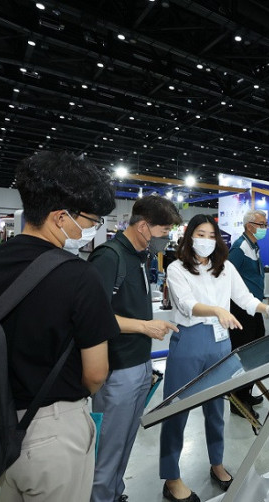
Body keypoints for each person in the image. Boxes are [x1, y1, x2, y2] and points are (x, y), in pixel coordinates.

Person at [0, 150, 118, 501]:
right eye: (91, 220)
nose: (93, 230)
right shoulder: (80, 276)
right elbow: (96, 373)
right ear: (60, 217)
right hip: (52, 430)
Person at [161, 214, 269, 501]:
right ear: (189, 236)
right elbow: (185, 304)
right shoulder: (176, 268)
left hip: (221, 344)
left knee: (216, 410)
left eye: (212, 236)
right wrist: (217, 310)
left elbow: (245, 299)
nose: (206, 241)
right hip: (189, 343)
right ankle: (171, 477)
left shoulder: (226, 268)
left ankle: (217, 464)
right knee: (175, 410)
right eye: (200, 234)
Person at [88, 195, 182, 502]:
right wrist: (144, 326)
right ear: (143, 226)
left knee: (125, 440)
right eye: (164, 231)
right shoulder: (109, 257)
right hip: (117, 368)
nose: (166, 239)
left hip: (140, 363)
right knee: (108, 446)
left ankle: (115, 493)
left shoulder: (141, 256)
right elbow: (94, 316)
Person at [227, 209, 268, 418]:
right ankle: (237, 401)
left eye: (265, 224)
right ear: (249, 226)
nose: (265, 228)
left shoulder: (253, 246)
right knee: (243, 354)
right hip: (241, 310)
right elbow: (227, 276)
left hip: (254, 307)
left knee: (254, 351)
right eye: (262, 224)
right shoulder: (239, 248)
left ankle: (246, 393)